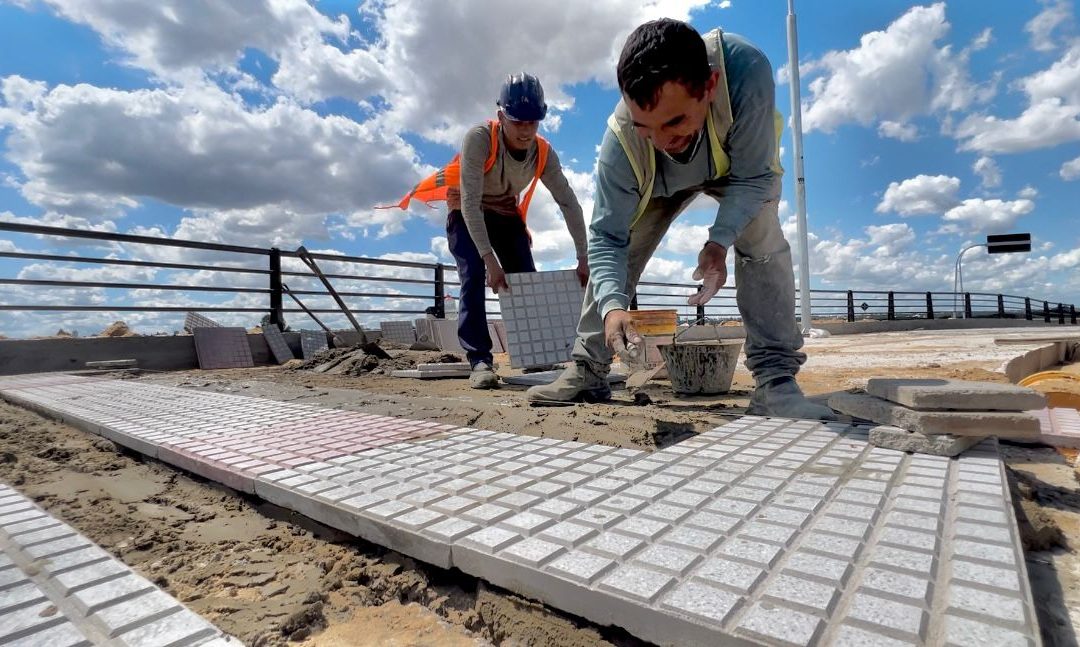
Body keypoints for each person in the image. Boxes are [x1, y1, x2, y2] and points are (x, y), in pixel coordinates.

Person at [527, 19, 834, 420]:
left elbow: (756, 176)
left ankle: (776, 380)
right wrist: (613, 309)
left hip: (738, 173)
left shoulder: (745, 72)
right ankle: (587, 368)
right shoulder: (622, 143)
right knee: (620, 256)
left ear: (709, 86)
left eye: (674, 122)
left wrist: (718, 241)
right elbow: (606, 238)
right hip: (657, 187)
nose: (661, 142)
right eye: (645, 128)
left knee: (761, 232)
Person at [391, 73, 589, 389]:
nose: (525, 130)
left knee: (525, 276)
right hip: (467, 212)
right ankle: (480, 359)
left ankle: (536, 357)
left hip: (505, 214)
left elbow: (568, 202)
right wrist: (490, 261)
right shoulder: (480, 138)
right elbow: (470, 202)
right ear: (501, 116)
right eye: (517, 122)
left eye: (533, 122)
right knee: (472, 275)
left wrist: (583, 256)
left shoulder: (543, 153)